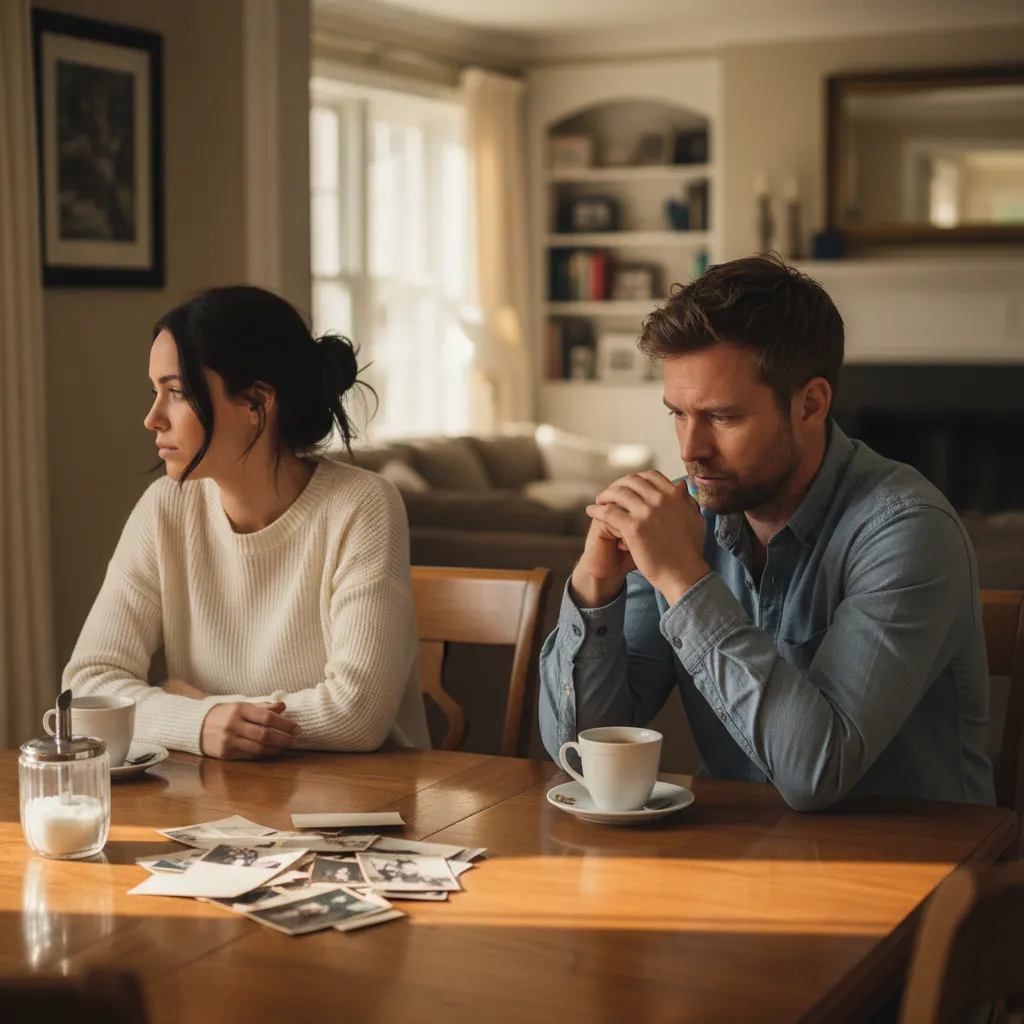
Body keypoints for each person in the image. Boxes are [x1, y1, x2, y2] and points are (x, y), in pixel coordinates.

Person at [539, 254, 994, 812]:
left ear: (811, 404)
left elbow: (815, 773)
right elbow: (583, 751)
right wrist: (595, 587)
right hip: (735, 846)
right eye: (677, 413)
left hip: (913, 857)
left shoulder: (909, 531)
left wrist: (684, 581)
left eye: (722, 417)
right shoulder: (683, 516)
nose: (690, 449)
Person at [65, 284, 428, 759]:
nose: (152, 418)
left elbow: (356, 714)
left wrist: (199, 707)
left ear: (257, 403)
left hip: (359, 796)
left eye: (177, 392)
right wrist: (201, 721)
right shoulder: (164, 508)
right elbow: (86, 688)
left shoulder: (362, 506)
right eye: (155, 392)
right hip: (216, 794)